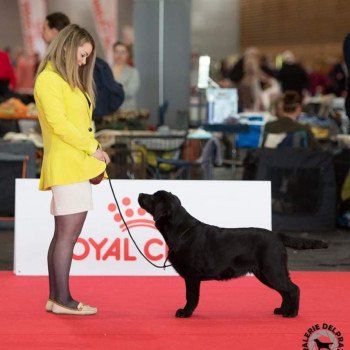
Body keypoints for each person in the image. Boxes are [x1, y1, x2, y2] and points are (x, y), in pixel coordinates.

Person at [34, 24, 110, 315]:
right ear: (68, 46)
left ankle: (57, 298)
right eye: (83, 54)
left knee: (63, 234)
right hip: (67, 165)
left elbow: (79, 126)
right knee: (67, 235)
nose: (84, 61)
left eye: (87, 57)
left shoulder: (65, 81)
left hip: (76, 163)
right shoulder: (49, 80)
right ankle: (63, 299)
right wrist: (93, 149)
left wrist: (94, 152)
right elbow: (60, 125)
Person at [42, 12, 124, 121]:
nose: (83, 61)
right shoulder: (52, 73)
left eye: (44, 29)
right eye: (83, 55)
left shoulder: (68, 69)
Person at [112, 41, 140, 110]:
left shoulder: (133, 72)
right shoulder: (105, 70)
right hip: (108, 112)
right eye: (117, 52)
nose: (119, 55)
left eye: (123, 52)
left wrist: (110, 89)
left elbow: (130, 91)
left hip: (127, 112)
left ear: (128, 54)